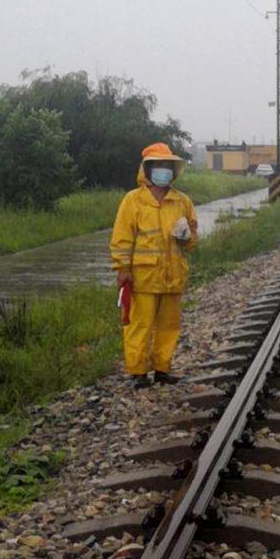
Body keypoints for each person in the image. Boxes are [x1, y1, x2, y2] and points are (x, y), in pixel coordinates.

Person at [110, 143, 198, 389]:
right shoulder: (133, 201)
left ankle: (162, 369)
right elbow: (121, 239)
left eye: (167, 166)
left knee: (169, 325)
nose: (164, 170)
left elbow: (192, 241)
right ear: (147, 170)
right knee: (140, 325)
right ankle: (138, 372)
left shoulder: (182, 201)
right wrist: (122, 270)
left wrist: (186, 236)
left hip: (173, 275)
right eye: (159, 165)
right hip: (143, 278)